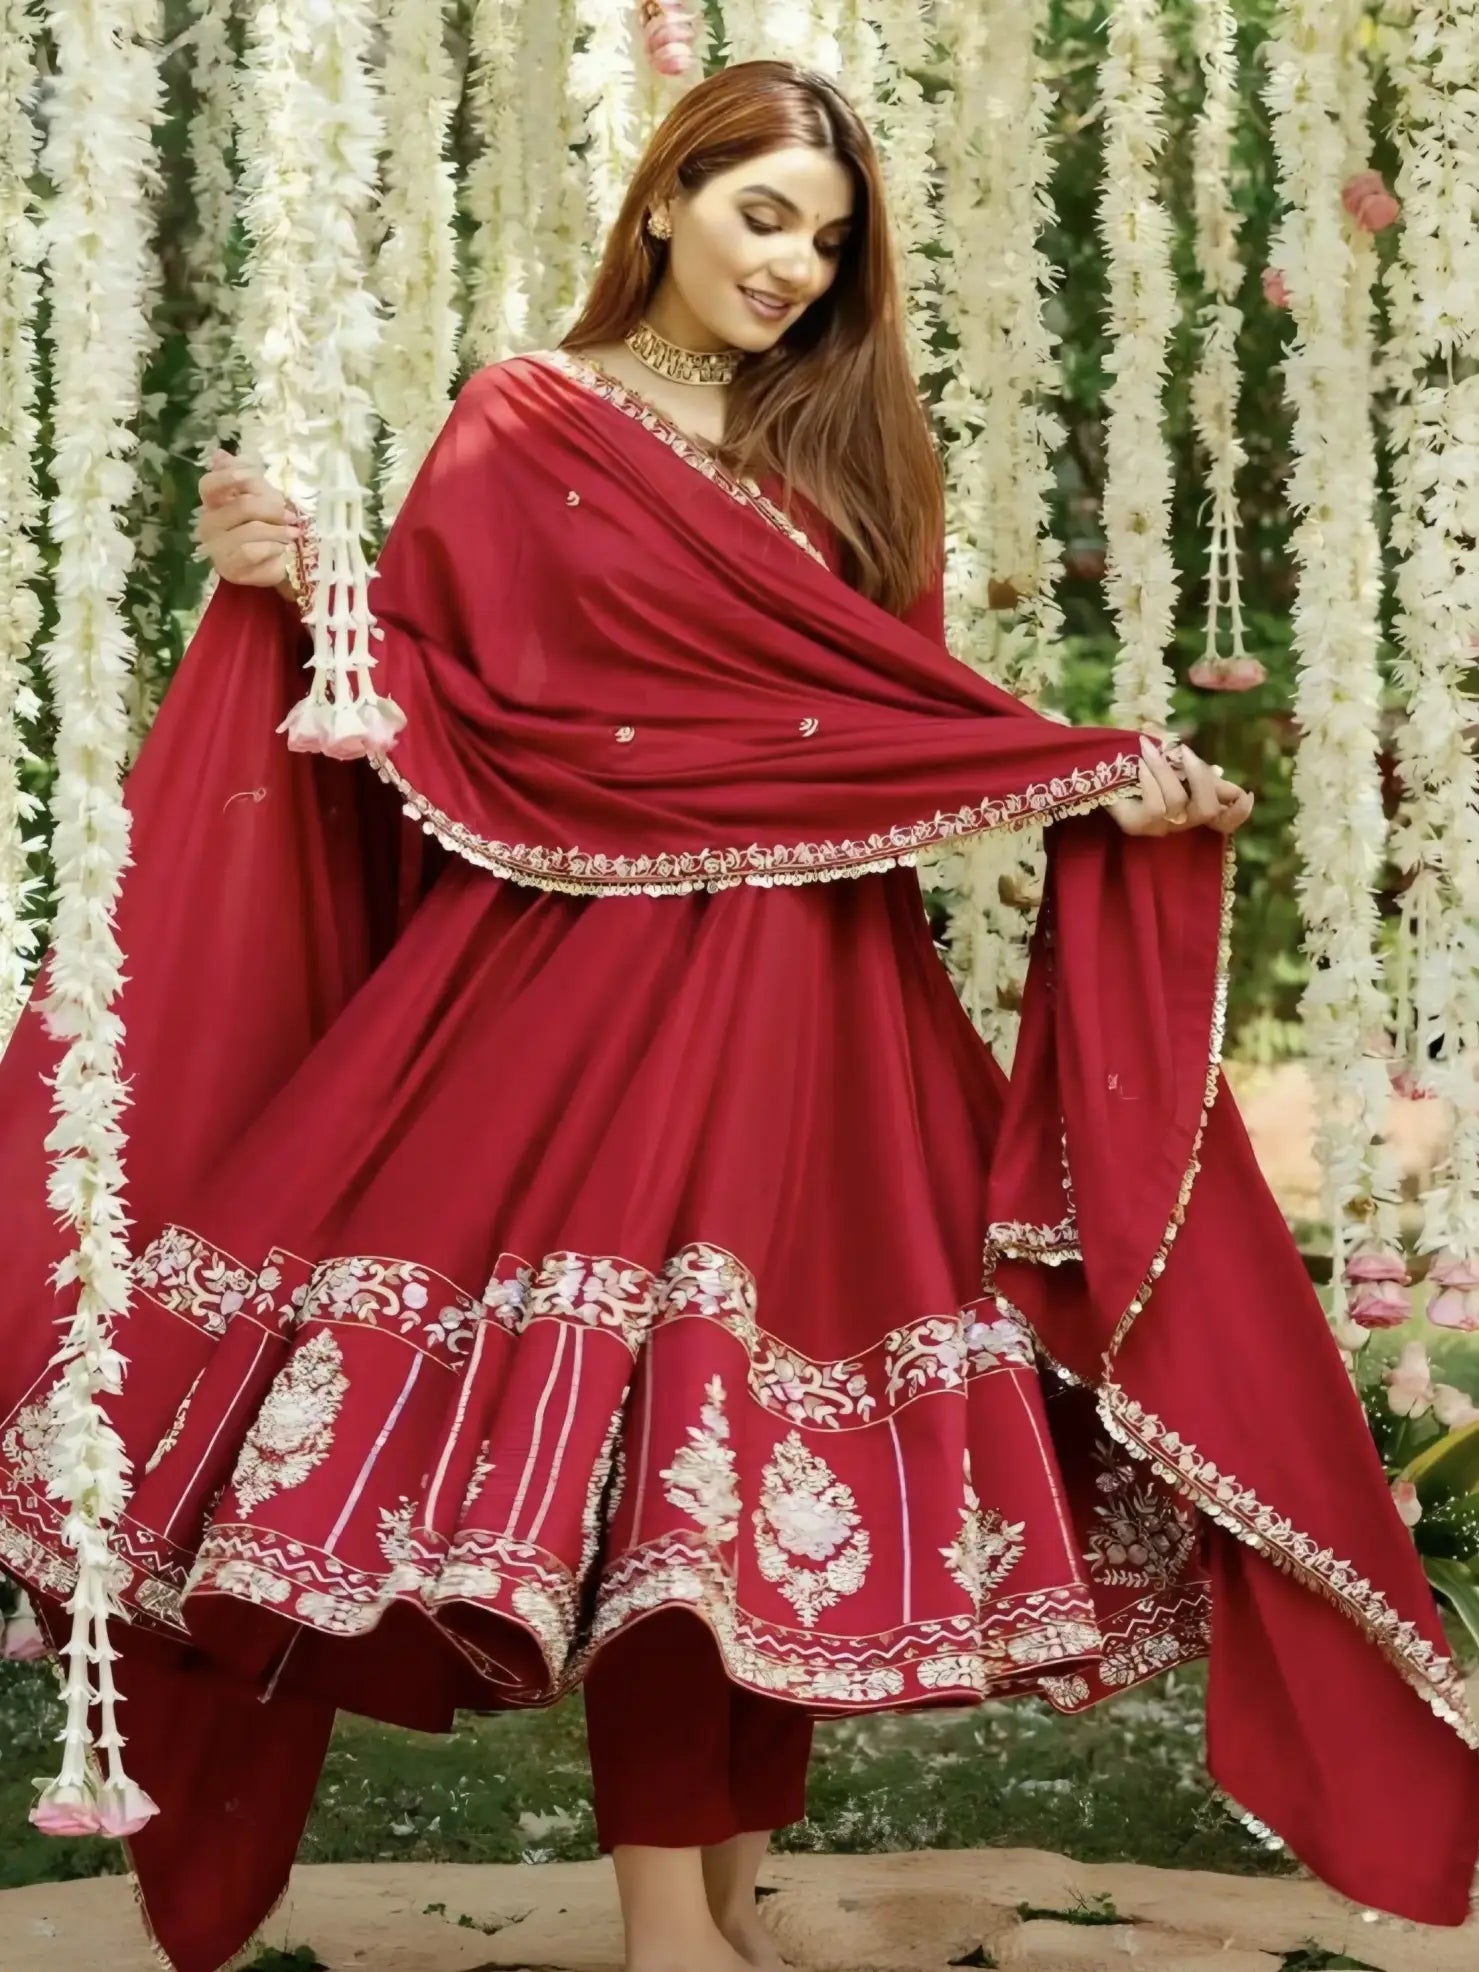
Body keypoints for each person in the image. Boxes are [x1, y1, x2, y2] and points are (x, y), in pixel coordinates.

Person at [0, 57, 1474, 1972]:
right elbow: (458, 699)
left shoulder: (854, 452)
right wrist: (308, 598)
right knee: (663, 1467)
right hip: (596, 991)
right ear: (665, 201)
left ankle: (727, 1896)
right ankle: (663, 1934)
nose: (792, 265)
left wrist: (1082, 772)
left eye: (830, 241)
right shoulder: (526, 417)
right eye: (762, 214)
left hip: (831, 997)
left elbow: (894, 726)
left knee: (771, 1472)